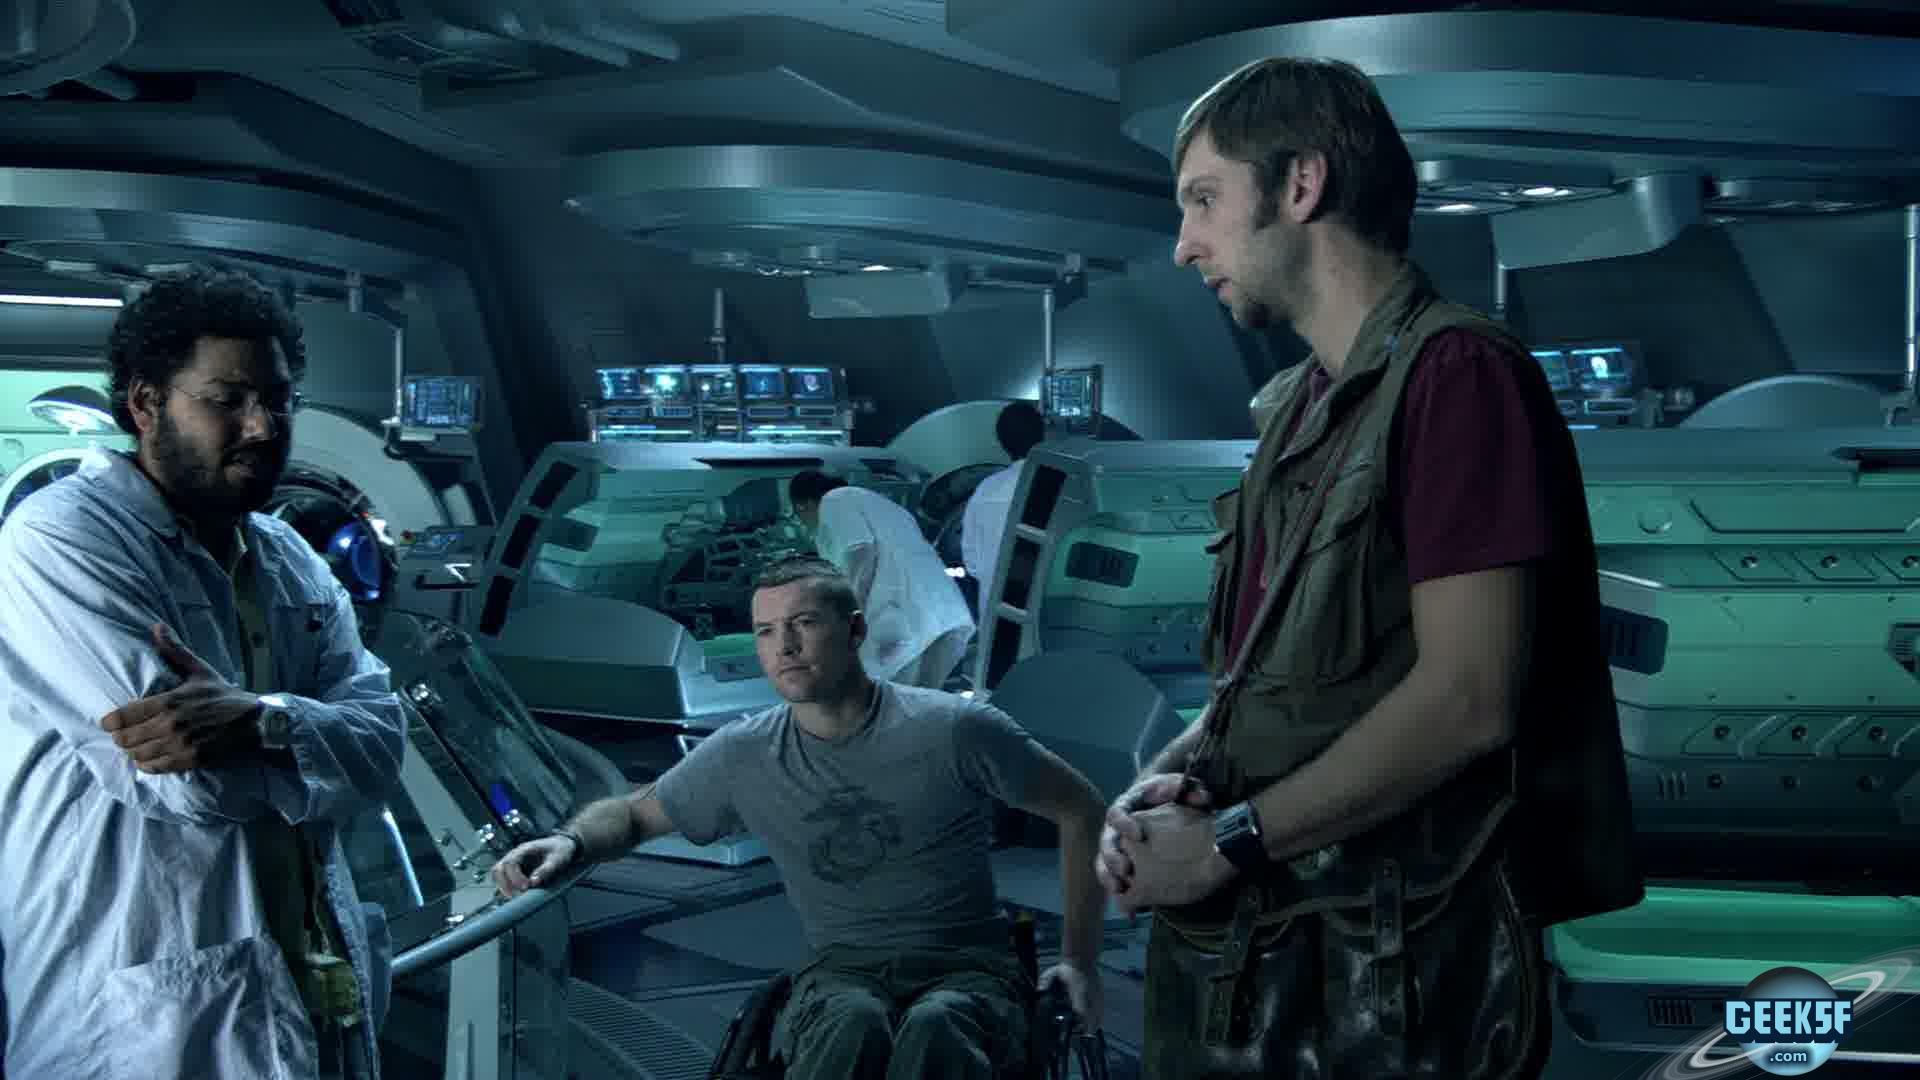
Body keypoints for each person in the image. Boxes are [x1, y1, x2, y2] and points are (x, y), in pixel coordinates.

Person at [1094, 58, 1644, 1078]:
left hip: (1393, 966)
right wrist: (1158, 785)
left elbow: (1468, 700)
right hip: (1287, 944)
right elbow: (1269, 682)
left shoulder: (1457, 377)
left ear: (1301, 185)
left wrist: (1228, 841)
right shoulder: (1301, 406)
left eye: (1205, 201)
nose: (1183, 245)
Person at [0, 266, 406, 1080]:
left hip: (310, 986)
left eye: (278, 399)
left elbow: (384, 746)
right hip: (138, 1013)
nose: (262, 426)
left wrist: (262, 720)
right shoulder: (59, 540)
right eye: (227, 400)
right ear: (145, 404)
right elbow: (189, 784)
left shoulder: (288, 556)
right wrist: (311, 745)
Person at [494, 557, 1109, 1080]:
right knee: (852, 1023)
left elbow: (1082, 808)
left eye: (804, 623)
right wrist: (570, 842)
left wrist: (1080, 962)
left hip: (970, 970)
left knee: (937, 1026)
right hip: (842, 973)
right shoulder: (745, 752)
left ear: (854, 629)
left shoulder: (953, 729)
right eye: (766, 632)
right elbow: (632, 816)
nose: (784, 647)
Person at [789, 469, 974, 689]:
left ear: (803, 505)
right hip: (943, 614)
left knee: (892, 701)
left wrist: (850, 611)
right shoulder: (883, 506)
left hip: (902, 620)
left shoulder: (834, 500)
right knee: (922, 701)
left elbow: (860, 551)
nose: (804, 524)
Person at [960, 400, 1046, 596]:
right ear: (1043, 437)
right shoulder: (1059, 486)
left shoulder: (985, 490)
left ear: (1002, 442)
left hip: (992, 608)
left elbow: (971, 563)